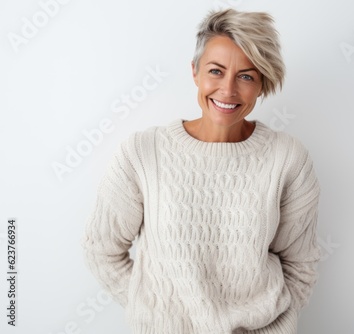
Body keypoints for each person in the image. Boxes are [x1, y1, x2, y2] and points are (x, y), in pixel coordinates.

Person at [82, 8, 321, 334]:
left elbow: (301, 264)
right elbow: (101, 249)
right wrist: (155, 312)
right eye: (216, 71)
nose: (228, 90)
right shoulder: (143, 153)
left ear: (263, 83)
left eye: (246, 76)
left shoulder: (288, 159)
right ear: (194, 72)